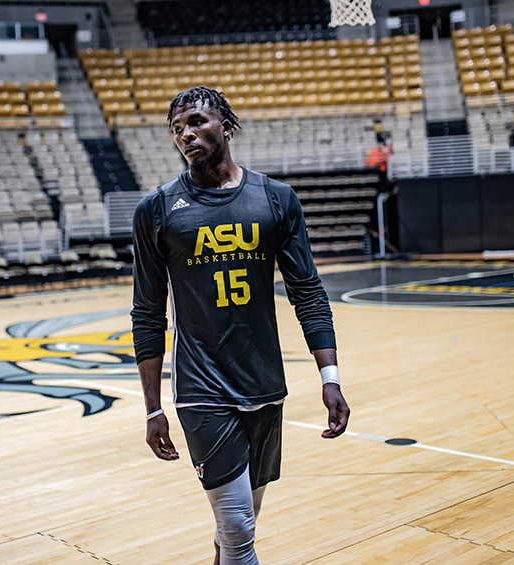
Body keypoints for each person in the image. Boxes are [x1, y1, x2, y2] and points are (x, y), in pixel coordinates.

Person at [131, 86, 350, 564]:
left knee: (237, 526)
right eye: (177, 129)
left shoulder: (275, 199)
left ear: (225, 125)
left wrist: (329, 378)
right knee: (237, 527)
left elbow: (307, 292)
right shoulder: (157, 210)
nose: (186, 134)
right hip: (201, 388)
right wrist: (152, 408)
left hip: (265, 383)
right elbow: (148, 313)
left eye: (196, 122)